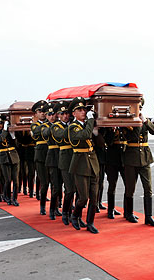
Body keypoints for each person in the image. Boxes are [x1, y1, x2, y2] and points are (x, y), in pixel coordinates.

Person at [68, 97, 100, 234]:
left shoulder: (88, 124)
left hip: (92, 162)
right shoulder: (72, 127)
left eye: (84, 110)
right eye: (80, 110)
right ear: (74, 113)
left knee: (94, 196)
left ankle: (90, 222)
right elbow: (85, 135)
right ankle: (75, 215)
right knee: (83, 197)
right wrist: (91, 121)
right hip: (80, 164)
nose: (83, 112)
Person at [51, 101, 75, 225]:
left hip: (76, 159)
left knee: (75, 189)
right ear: (58, 115)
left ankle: (72, 213)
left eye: (67, 113)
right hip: (65, 159)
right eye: (62, 113)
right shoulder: (55, 127)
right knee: (69, 189)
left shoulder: (73, 124)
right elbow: (61, 135)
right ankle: (65, 212)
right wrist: (73, 126)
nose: (65, 116)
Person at [0, 115, 20, 206]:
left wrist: (13, 135)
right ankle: (7, 197)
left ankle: (14, 198)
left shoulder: (8, 133)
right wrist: (5, 131)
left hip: (14, 157)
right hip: (3, 158)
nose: (0, 125)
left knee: (16, 180)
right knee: (7, 180)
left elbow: (16, 144)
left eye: (1, 123)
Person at [42, 103, 63, 220]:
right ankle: (52, 209)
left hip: (62, 156)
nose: (51, 116)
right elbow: (45, 134)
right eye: (49, 114)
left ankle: (58, 207)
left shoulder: (61, 124)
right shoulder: (45, 126)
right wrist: (54, 126)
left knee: (61, 185)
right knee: (55, 186)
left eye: (53, 114)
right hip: (52, 158)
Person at [31, 100, 50, 214]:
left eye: (44, 111)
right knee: (44, 182)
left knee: (55, 181)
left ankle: (57, 204)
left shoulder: (51, 123)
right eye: (40, 111)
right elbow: (38, 132)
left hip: (52, 154)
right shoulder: (35, 125)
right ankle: (42, 205)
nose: (43, 113)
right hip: (41, 155)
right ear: (35, 114)